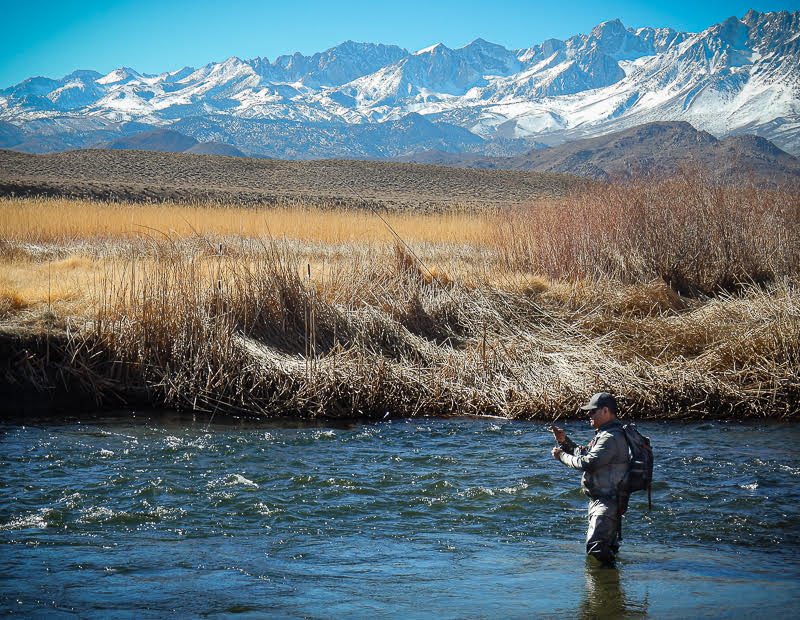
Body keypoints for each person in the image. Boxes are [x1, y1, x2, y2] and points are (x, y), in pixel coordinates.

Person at [549, 392, 629, 567]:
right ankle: (612, 588)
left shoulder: (611, 437)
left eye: (593, 411)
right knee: (605, 549)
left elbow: (588, 462)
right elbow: (586, 453)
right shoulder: (605, 434)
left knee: (596, 548)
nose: (589, 415)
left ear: (606, 411)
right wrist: (565, 442)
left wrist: (561, 456)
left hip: (607, 502)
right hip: (602, 501)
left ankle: (605, 590)